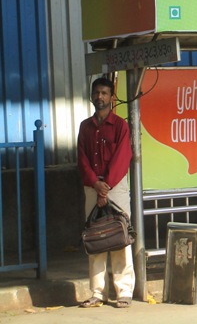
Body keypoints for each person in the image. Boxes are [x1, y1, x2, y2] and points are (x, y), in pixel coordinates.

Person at [77, 77, 135, 308]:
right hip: (92, 187)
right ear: (91, 97)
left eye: (104, 93)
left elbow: (123, 158)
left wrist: (106, 186)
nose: (99, 97)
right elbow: (81, 159)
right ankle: (97, 292)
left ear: (112, 98)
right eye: (96, 93)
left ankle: (124, 292)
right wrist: (95, 183)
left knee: (120, 237)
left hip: (116, 186)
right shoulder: (85, 127)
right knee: (96, 237)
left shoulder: (121, 126)